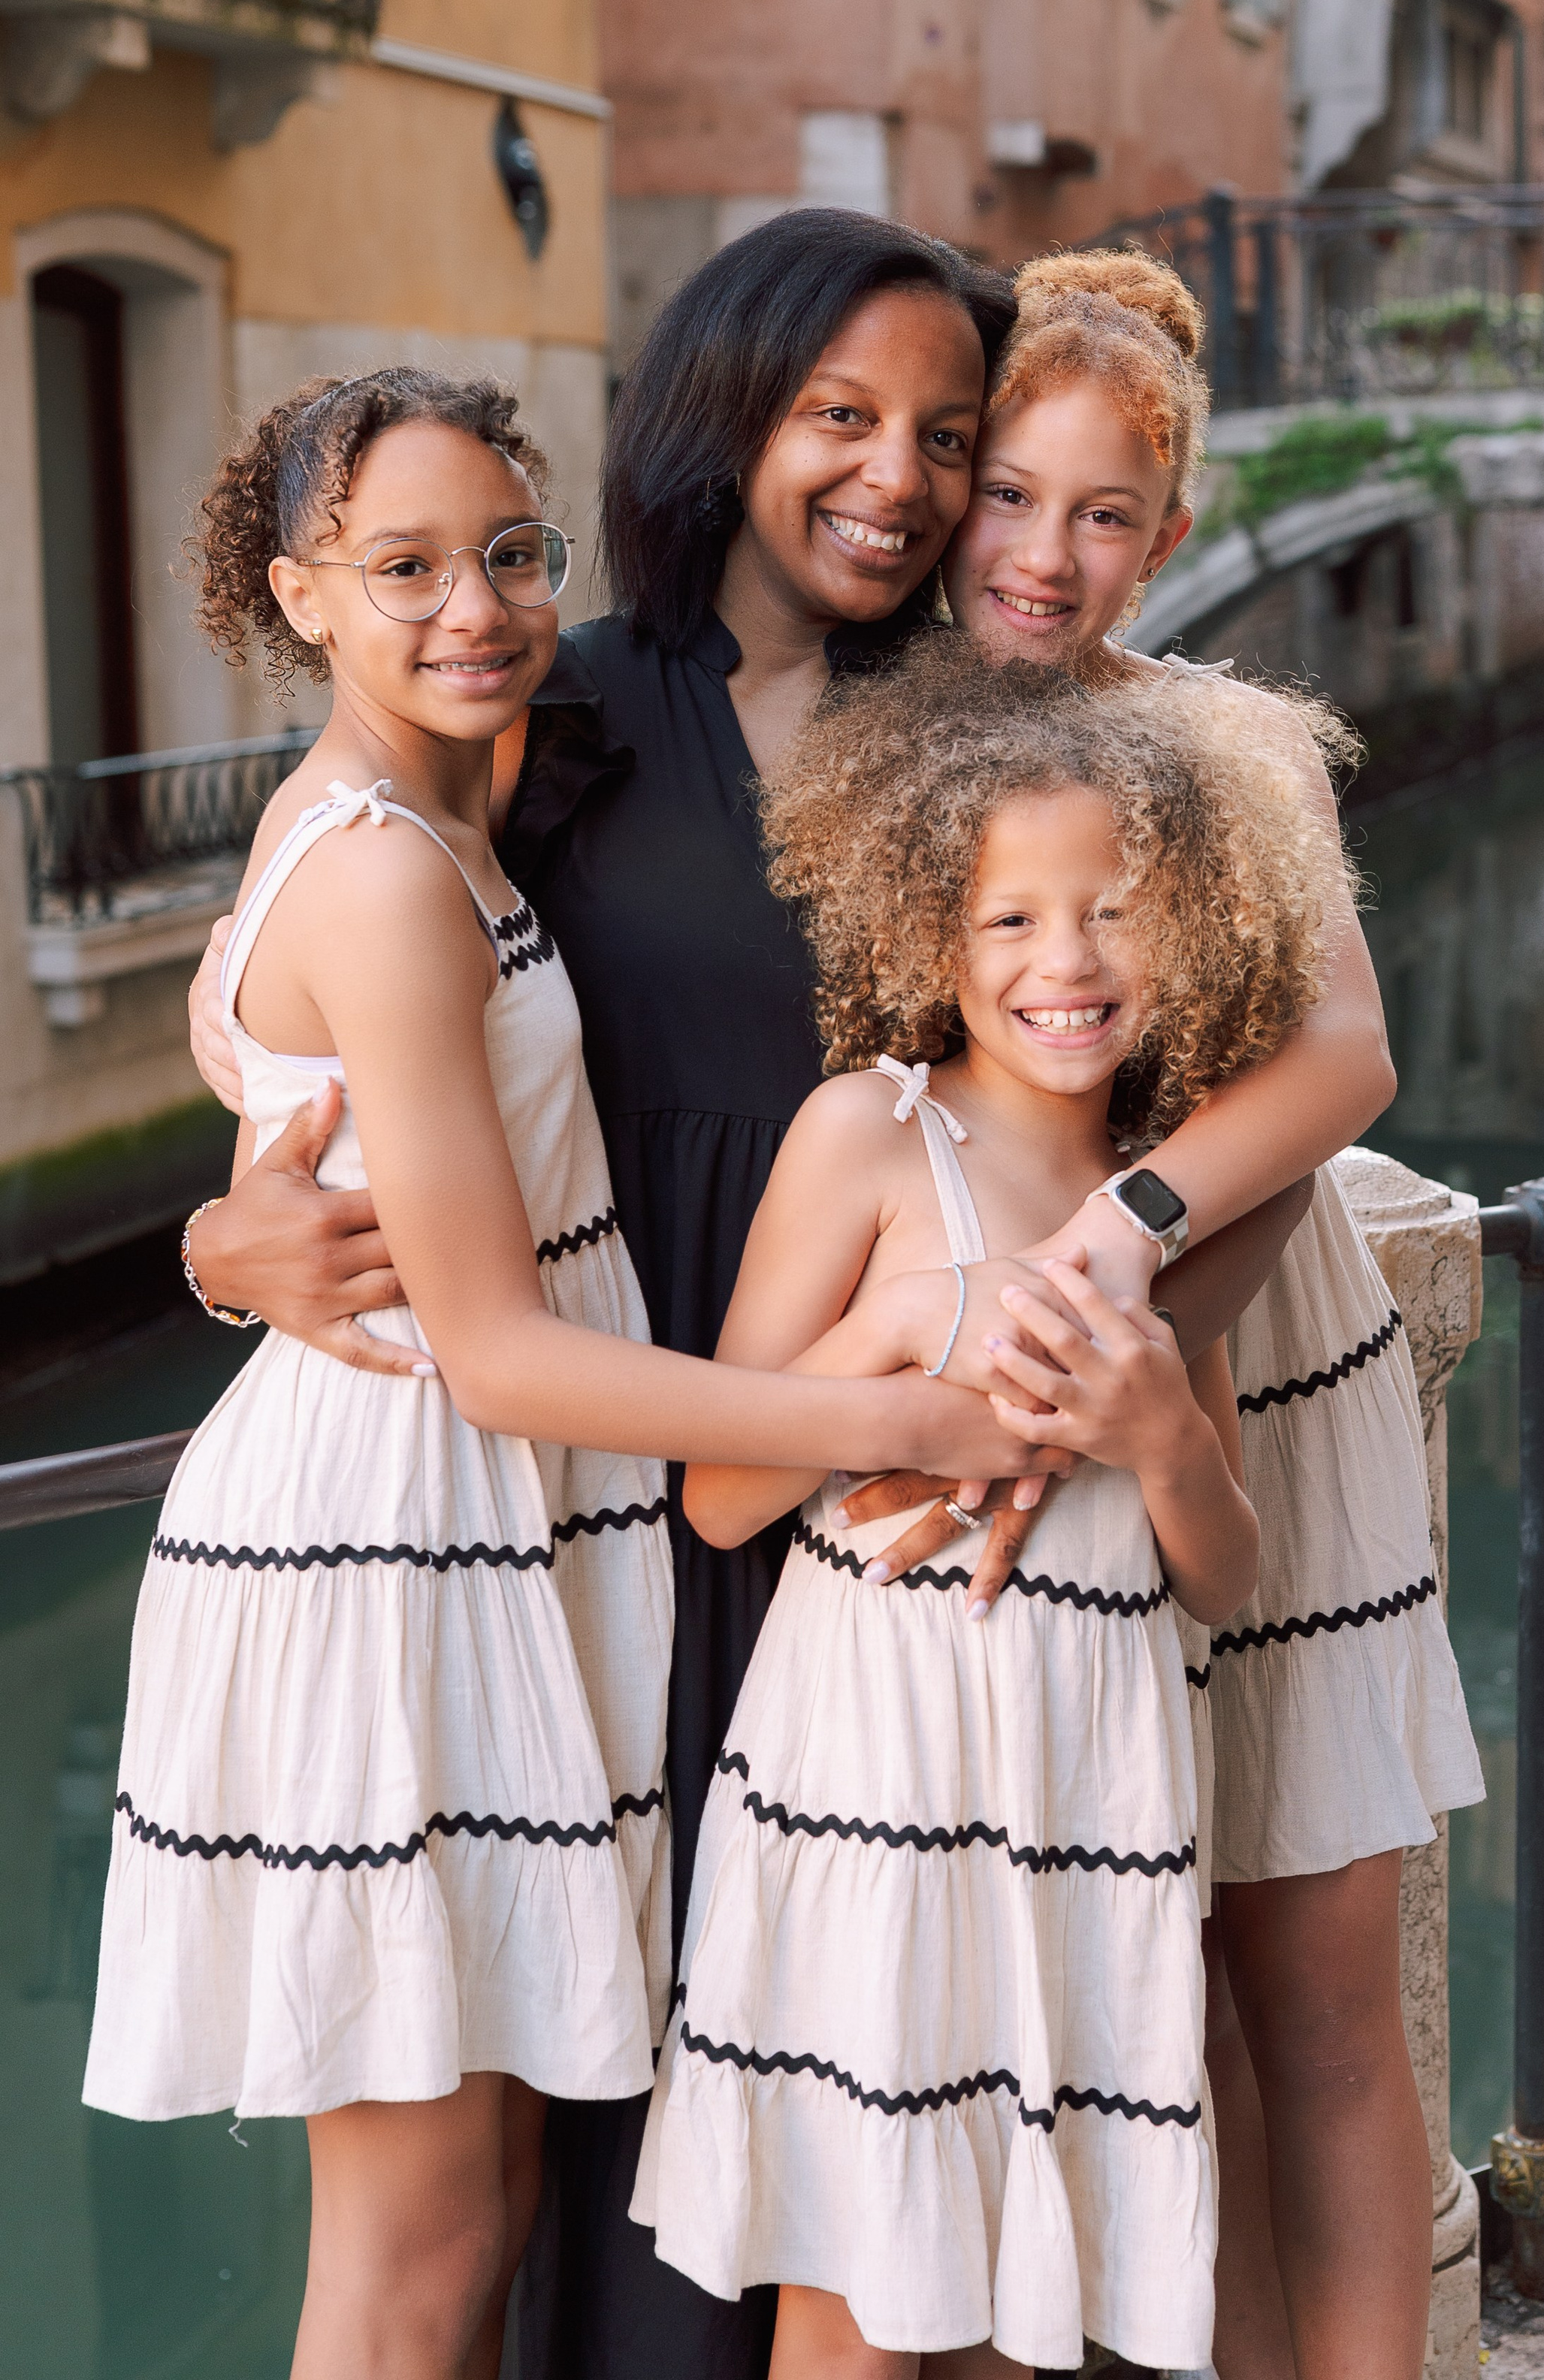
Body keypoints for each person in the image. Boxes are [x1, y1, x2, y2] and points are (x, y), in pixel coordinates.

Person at [177, 213, 1406, 2380]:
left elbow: (1249, 1091)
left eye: (948, 434)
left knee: (914, 2135)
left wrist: (1115, 1366)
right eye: (844, 417)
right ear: (729, 408)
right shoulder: (541, 706)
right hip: (637, 1475)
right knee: (596, 2102)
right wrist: (220, 1224)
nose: (904, 478)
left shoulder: (1003, 726)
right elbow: (331, 942)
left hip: (902, 1531)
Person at [98, 369, 1050, 2380]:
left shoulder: (460, 796)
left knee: (487, 2212)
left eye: (512, 556)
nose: (476, 606)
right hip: (393, 1539)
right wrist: (886, 1418)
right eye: (407, 568)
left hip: (473, 1535)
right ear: (300, 595)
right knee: (421, 2246)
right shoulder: (375, 865)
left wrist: (218, 1224)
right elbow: (507, 1356)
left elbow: (263, 1068)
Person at [844, 250, 1483, 2380]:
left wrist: (1118, 1240)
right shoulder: (883, 734)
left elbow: (1344, 1063)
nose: (1045, 552)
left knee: (1312, 2004)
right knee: (1131, 2013)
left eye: (1102, 513)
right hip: (998, 1439)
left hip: (1266, 1400)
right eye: (1007, 495)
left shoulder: (1225, 741)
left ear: (1173, 530)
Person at [638, 633, 1341, 2376]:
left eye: (1112, 910)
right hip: (877, 1782)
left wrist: (1154, 1419)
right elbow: (721, 1497)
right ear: (926, 938)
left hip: (1085, 1784)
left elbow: (1226, 1576)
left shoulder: (1154, 1202)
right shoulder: (866, 1142)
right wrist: (891, 1347)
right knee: (863, 2295)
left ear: (1190, 923)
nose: (1065, 961)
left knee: (1026, 2302)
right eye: (1009, 920)